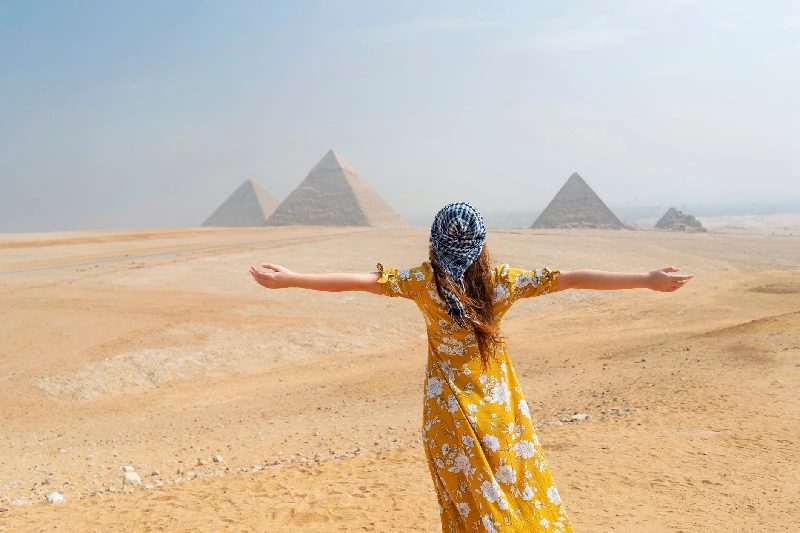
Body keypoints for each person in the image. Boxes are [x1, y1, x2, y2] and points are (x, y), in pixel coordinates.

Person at [249, 202, 693, 533]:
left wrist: (290, 278)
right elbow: (572, 277)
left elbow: (361, 283)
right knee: (514, 489)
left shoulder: (422, 282)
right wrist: (647, 280)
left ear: (435, 241)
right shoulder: (500, 281)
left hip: (447, 413)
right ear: (480, 243)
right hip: (500, 409)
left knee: (466, 502)